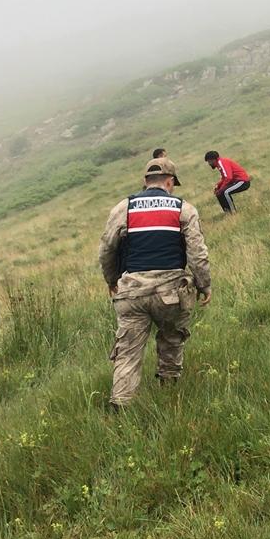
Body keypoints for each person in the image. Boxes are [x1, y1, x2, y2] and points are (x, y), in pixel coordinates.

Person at [97, 158, 211, 409]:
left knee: (127, 352)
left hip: (131, 293)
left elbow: (106, 248)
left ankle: (120, 406)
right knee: (172, 339)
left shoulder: (123, 208)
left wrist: (112, 279)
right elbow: (197, 252)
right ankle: (168, 391)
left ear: (145, 182)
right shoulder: (184, 209)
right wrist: (204, 285)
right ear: (170, 182)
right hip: (170, 292)